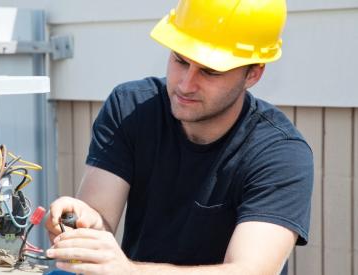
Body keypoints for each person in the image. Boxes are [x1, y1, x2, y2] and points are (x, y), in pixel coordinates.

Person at [45, 0, 313, 274]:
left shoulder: (281, 154)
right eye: (180, 60)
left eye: (210, 71)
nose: (186, 84)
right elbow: (100, 219)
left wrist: (130, 271)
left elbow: (250, 270)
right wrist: (85, 220)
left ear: (253, 73)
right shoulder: (130, 108)